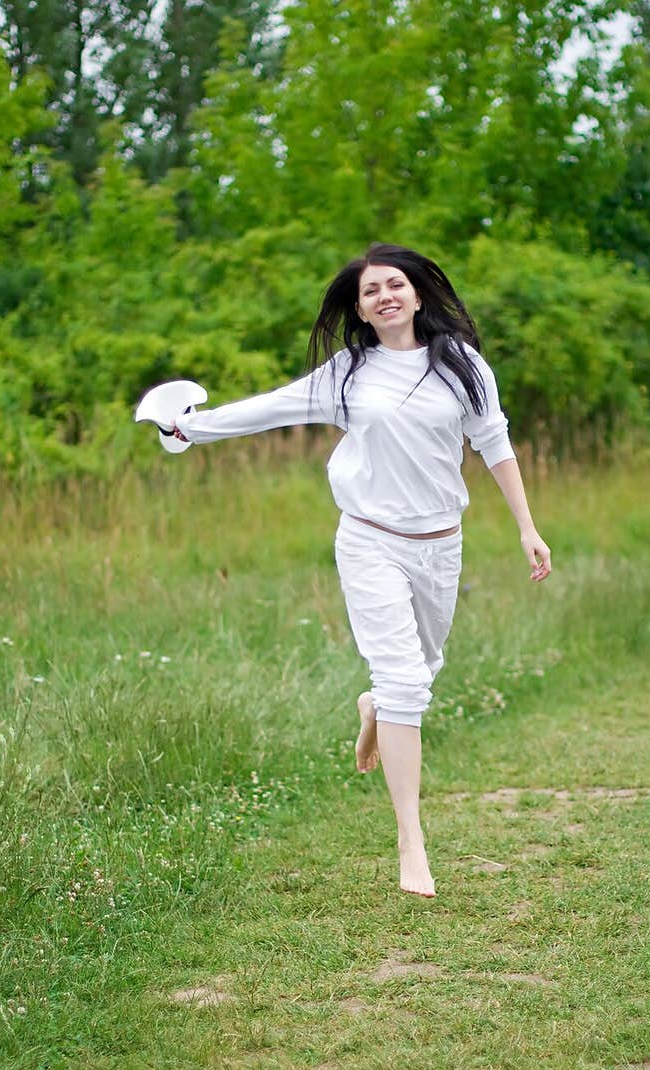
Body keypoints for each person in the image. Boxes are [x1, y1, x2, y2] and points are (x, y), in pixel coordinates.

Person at [172, 243, 551, 898]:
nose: (385, 295)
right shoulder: (348, 374)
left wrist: (526, 526)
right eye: (371, 290)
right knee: (407, 680)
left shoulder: (463, 367)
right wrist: (190, 428)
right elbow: (272, 408)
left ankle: (376, 706)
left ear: (418, 294)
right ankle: (412, 842)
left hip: (440, 544)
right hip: (370, 541)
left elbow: (493, 441)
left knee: (420, 673)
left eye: (395, 284)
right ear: (361, 308)